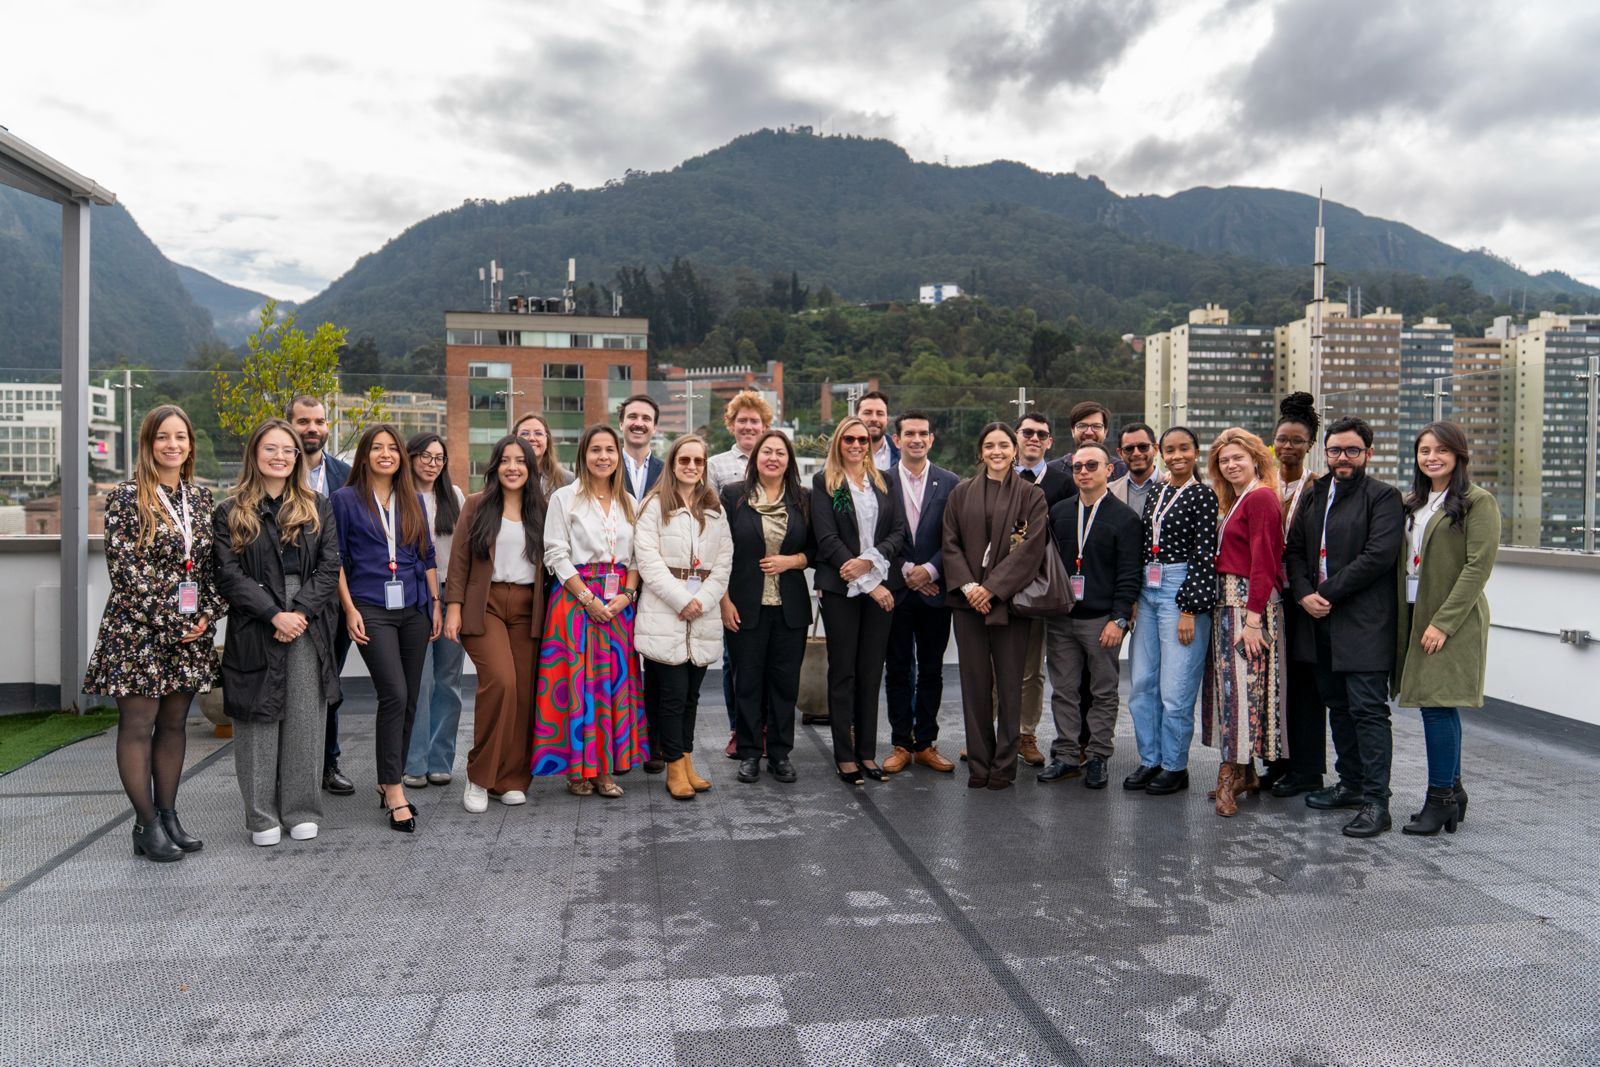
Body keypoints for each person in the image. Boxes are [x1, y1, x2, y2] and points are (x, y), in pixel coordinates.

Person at [84, 405, 223, 863]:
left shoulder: (201, 501)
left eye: (180, 437)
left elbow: (214, 569)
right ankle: (145, 823)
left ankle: (168, 814)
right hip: (137, 631)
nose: (172, 445)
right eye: (163, 437)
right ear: (148, 444)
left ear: (190, 445)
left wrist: (206, 615)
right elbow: (126, 572)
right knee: (138, 727)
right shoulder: (126, 498)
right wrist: (174, 620)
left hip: (188, 633)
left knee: (174, 726)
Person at [213, 419, 341, 845]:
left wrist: (299, 611)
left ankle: (301, 809)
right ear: (255, 453)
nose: (281, 456)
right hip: (256, 620)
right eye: (271, 448)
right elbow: (228, 576)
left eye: (288, 450)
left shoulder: (318, 505)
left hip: (307, 618)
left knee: (306, 715)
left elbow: (329, 567)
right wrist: (274, 614)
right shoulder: (230, 511)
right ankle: (261, 816)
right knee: (257, 718)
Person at [1285, 415, 1404, 838]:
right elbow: (1295, 550)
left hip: (1363, 624)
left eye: (1352, 450)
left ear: (1368, 454)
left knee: (1369, 712)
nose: (1342, 458)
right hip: (1318, 621)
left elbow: (1378, 555)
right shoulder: (1315, 494)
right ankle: (1351, 785)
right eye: (1335, 450)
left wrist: (1326, 593)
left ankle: (1377, 802)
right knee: (1337, 708)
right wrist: (1303, 594)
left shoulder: (1384, 497)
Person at [332, 423, 441, 833]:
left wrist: (434, 604)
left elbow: (427, 554)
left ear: (400, 457)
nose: (385, 454)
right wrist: (348, 609)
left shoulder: (411, 499)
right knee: (393, 691)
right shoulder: (344, 500)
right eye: (376, 448)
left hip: (413, 605)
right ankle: (394, 788)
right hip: (370, 605)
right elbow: (337, 559)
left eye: (391, 448)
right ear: (365, 455)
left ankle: (386, 778)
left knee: (410, 696)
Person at [1393, 421, 1500, 835]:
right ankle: (1452, 792)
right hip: (1415, 613)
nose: (1431, 457)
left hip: (1450, 619)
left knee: (1437, 705)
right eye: (1424, 451)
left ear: (1458, 455)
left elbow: (1478, 568)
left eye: (1440, 450)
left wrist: (1443, 623)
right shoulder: (1413, 503)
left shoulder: (1478, 501)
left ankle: (1439, 801)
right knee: (1438, 705)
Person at [532, 424, 647, 798]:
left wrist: (626, 597)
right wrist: (588, 599)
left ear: (618, 456)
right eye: (595, 450)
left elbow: (635, 558)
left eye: (610, 451)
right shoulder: (565, 498)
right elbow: (555, 553)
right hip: (575, 602)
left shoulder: (629, 501)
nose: (603, 457)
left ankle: (604, 770)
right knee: (579, 686)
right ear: (583, 455)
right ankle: (579, 769)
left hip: (618, 605)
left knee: (611, 687)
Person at [942, 422, 1049, 791]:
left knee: (1009, 684)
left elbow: (1032, 550)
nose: (997, 451)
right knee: (974, 685)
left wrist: (993, 589)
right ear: (980, 451)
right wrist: (972, 587)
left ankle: (1004, 766)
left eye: (1004, 445)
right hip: (967, 602)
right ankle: (979, 763)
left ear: (1015, 450)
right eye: (990, 445)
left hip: (1010, 604)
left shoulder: (1032, 496)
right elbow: (950, 542)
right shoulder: (960, 493)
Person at [445, 435, 547, 813]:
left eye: (520, 461)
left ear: (531, 468)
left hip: (527, 608)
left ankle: (512, 778)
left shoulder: (543, 509)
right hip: (484, 605)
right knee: (500, 683)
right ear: (495, 465)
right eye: (505, 460)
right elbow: (458, 561)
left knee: (522, 692)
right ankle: (479, 775)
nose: (513, 467)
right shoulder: (475, 505)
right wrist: (453, 608)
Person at [634, 434, 734, 799]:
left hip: (701, 615)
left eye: (698, 461)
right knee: (672, 696)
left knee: (692, 695)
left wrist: (704, 600)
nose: (692, 467)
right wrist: (681, 599)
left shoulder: (715, 510)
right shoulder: (653, 506)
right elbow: (647, 560)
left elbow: (724, 562)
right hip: (666, 613)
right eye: (685, 460)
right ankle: (673, 765)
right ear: (673, 463)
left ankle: (687, 760)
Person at [812, 416, 908, 785]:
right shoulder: (826, 482)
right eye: (849, 439)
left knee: (870, 672)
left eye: (863, 439)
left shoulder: (884, 482)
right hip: (840, 590)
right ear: (838, 442)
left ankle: (866, 752)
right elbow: (827, 537)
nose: (856, 445)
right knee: (843, 673)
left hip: (878, 582)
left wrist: (870, 563)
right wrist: (868, 582)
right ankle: (844, 755)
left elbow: (897, 532)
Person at [1038, 442, 1140, 789]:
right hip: (1062, 618)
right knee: (1064, 691)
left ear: (1109, 470)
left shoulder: (1125, 518)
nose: (1083, 472)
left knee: (1103, 692)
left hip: (1102, 622)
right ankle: (1067, 755)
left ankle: (1097, 756)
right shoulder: (1061, 511)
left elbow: (1129, 574)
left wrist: (1119, 619)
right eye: (1078, 467)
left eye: (1092, 466)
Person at [1125, 426, 1218, 796]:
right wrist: (1134, 595)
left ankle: (1174, 766)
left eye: (1184, 449)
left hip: (1181, 590)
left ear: (1196, 452)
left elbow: (1204, 554)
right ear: (1161, 453)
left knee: (1175, 690)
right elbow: (1144, 544)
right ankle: (1150, 759)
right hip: (1148, 591)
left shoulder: (1203, 496)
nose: (1177, 455)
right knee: (1142, 684)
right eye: (1170, 449)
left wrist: (1190, 609)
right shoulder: (1158, 491)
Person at [1201, 428, 1288, 817]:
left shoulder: (1262, 498)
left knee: (1240, 692)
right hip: (1226, 605)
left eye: (1238, 457)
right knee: (1232, 691)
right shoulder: (1235, 500)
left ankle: (1228, 776)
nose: (1231, 464)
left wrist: (1253, 620)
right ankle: (1246, 772)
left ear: (1256, 458)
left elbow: (1264, 561)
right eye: (1224, 460)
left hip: (1246, 608)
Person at [720, 430, 813, 784]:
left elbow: (818, 552)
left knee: (784, 684)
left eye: (780, 453)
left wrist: (792, 562)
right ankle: (748, 753)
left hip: (790, 609)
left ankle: (779, 752)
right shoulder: (733, 496)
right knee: (747, 682)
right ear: (755, 457)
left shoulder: (804, 499)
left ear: (788, 461)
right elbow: (720, 551)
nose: (773, 458)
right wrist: (724, 601)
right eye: (767, 452)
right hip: (744, 606)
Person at [883, 412, 958, 774]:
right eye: (908, 433)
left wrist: (930, 569)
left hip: (934, 591)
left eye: (923, 433)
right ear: (896, 440)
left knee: (931, 670)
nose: (916, 439)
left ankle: (925, 743)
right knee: (898, 669)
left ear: (931, 439)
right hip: (895, 593)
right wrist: (905, 572)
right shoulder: (880, 482)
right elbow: (875, 534)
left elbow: (956, 537)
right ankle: (900, 743)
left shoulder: (950, 482)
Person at [287, 394, 355, 797]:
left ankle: (327, 763)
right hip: (289, 599)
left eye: (319, 422)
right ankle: (292, 767)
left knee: (328, 683)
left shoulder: (346, 475)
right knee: (294, 685)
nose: (312, 429)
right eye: (303, 421)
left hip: (336, 598)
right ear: (289, 424)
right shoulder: (275, 470)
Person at [707, 389, 775, 753]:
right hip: (734, 572)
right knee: (736, 658)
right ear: (731, 425)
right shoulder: (716, 466)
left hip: (773, 571)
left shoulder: (778, 460)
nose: (749, 427)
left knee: (769, 658)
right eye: (742, 421)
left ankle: (764, 728)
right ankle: (739, 729)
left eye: (755, 421)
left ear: (766, 426)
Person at [1267, 393, 1328, 797]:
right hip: (1267, 598)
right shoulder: (1260, 485)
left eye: (1297, 440)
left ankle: (1307, 769)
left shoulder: (1319, 488)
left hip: (1303, 598)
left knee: (1305, 685)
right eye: (1282, 439)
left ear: (1310, 445)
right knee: (1272, 684)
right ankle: (1277, 763)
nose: (1288, 446)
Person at [402, 432, 468, 790]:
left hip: (449, 591)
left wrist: (452, 600)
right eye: (425, 456)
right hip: (414, 596)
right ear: (410, 457)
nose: (432, 463)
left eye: (439, 458)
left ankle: (441, 760)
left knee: (448, 679)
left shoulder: (453, 496)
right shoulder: (397, 497)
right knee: (420, 680)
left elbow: (460, 554)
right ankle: (415, 762)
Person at [1010, 411, 1074, 768]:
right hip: (1000, 585)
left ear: (1050, 442)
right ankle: (990, 732)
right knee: (994, 663)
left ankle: (1025, 733)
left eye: (1042, 434)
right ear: (1016, 436)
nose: (1034, 438)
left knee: (1032, 668)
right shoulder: (999, 473)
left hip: (1039, 589)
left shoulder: (1064, 483)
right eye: (1028, 432)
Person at [1049, 401, 1128, 481]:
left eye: (1096, 426)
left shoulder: (1122, 471)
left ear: (1105, 432)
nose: (1089, 432)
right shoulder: (1053, 471)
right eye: (1082, 426)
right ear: (1073, 431)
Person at [617, 394, 664, 501]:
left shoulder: (667, 472)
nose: (639, 423)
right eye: (632, 417)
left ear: (654, 428)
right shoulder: (606, 467)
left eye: (646, 418)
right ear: (621, 424)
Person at [1108, 422, 1161, 517]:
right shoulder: (1109, 491)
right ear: (1120, 453)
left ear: (1155, 449)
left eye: (1143, 447)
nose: (1136, 453)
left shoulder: (1174, 487)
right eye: (1129, 449)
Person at [513, 413, 572, 497]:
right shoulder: (505, 477)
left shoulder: (568, 480)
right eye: (524, 434)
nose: (532, 438)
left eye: (538, 433)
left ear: (547, 439)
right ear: (514, 439)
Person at [856, 390, 899, 470]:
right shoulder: (840, 454)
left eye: (880, 414)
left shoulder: (902, 454)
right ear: (856, 418)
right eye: (867, 413)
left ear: (887, 420)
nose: (874, 419)